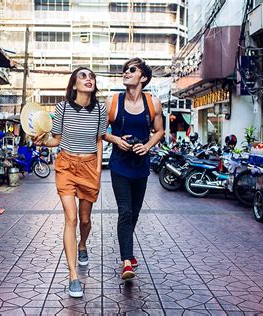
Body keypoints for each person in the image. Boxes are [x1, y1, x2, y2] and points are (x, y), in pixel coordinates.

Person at [34, 67, 107, 298]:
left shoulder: (100, 110)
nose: (89, 79)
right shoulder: (62, 107)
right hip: (66, 165)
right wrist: (42, 141)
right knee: (71, 218)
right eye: (83, 76)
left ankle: (83, 245)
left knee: (85, 219)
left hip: (88, 167)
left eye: (92, 76)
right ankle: (73, 276)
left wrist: (96, 170)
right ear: (74, 84)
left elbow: (99, 140)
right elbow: (56, 139)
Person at [103, 58, 165, 280]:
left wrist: (147, 146)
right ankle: (126, 261)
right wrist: (116, 140)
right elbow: (100, 130)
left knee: (135, 212)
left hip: (141, 167)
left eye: (132, 70)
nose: (126, 73)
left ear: (144, 77)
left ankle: (127, 247)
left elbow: (159, 131)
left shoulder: (153, 103)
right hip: (120, 165)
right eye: (124, 70)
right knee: (125, 211)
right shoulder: (113, 102)